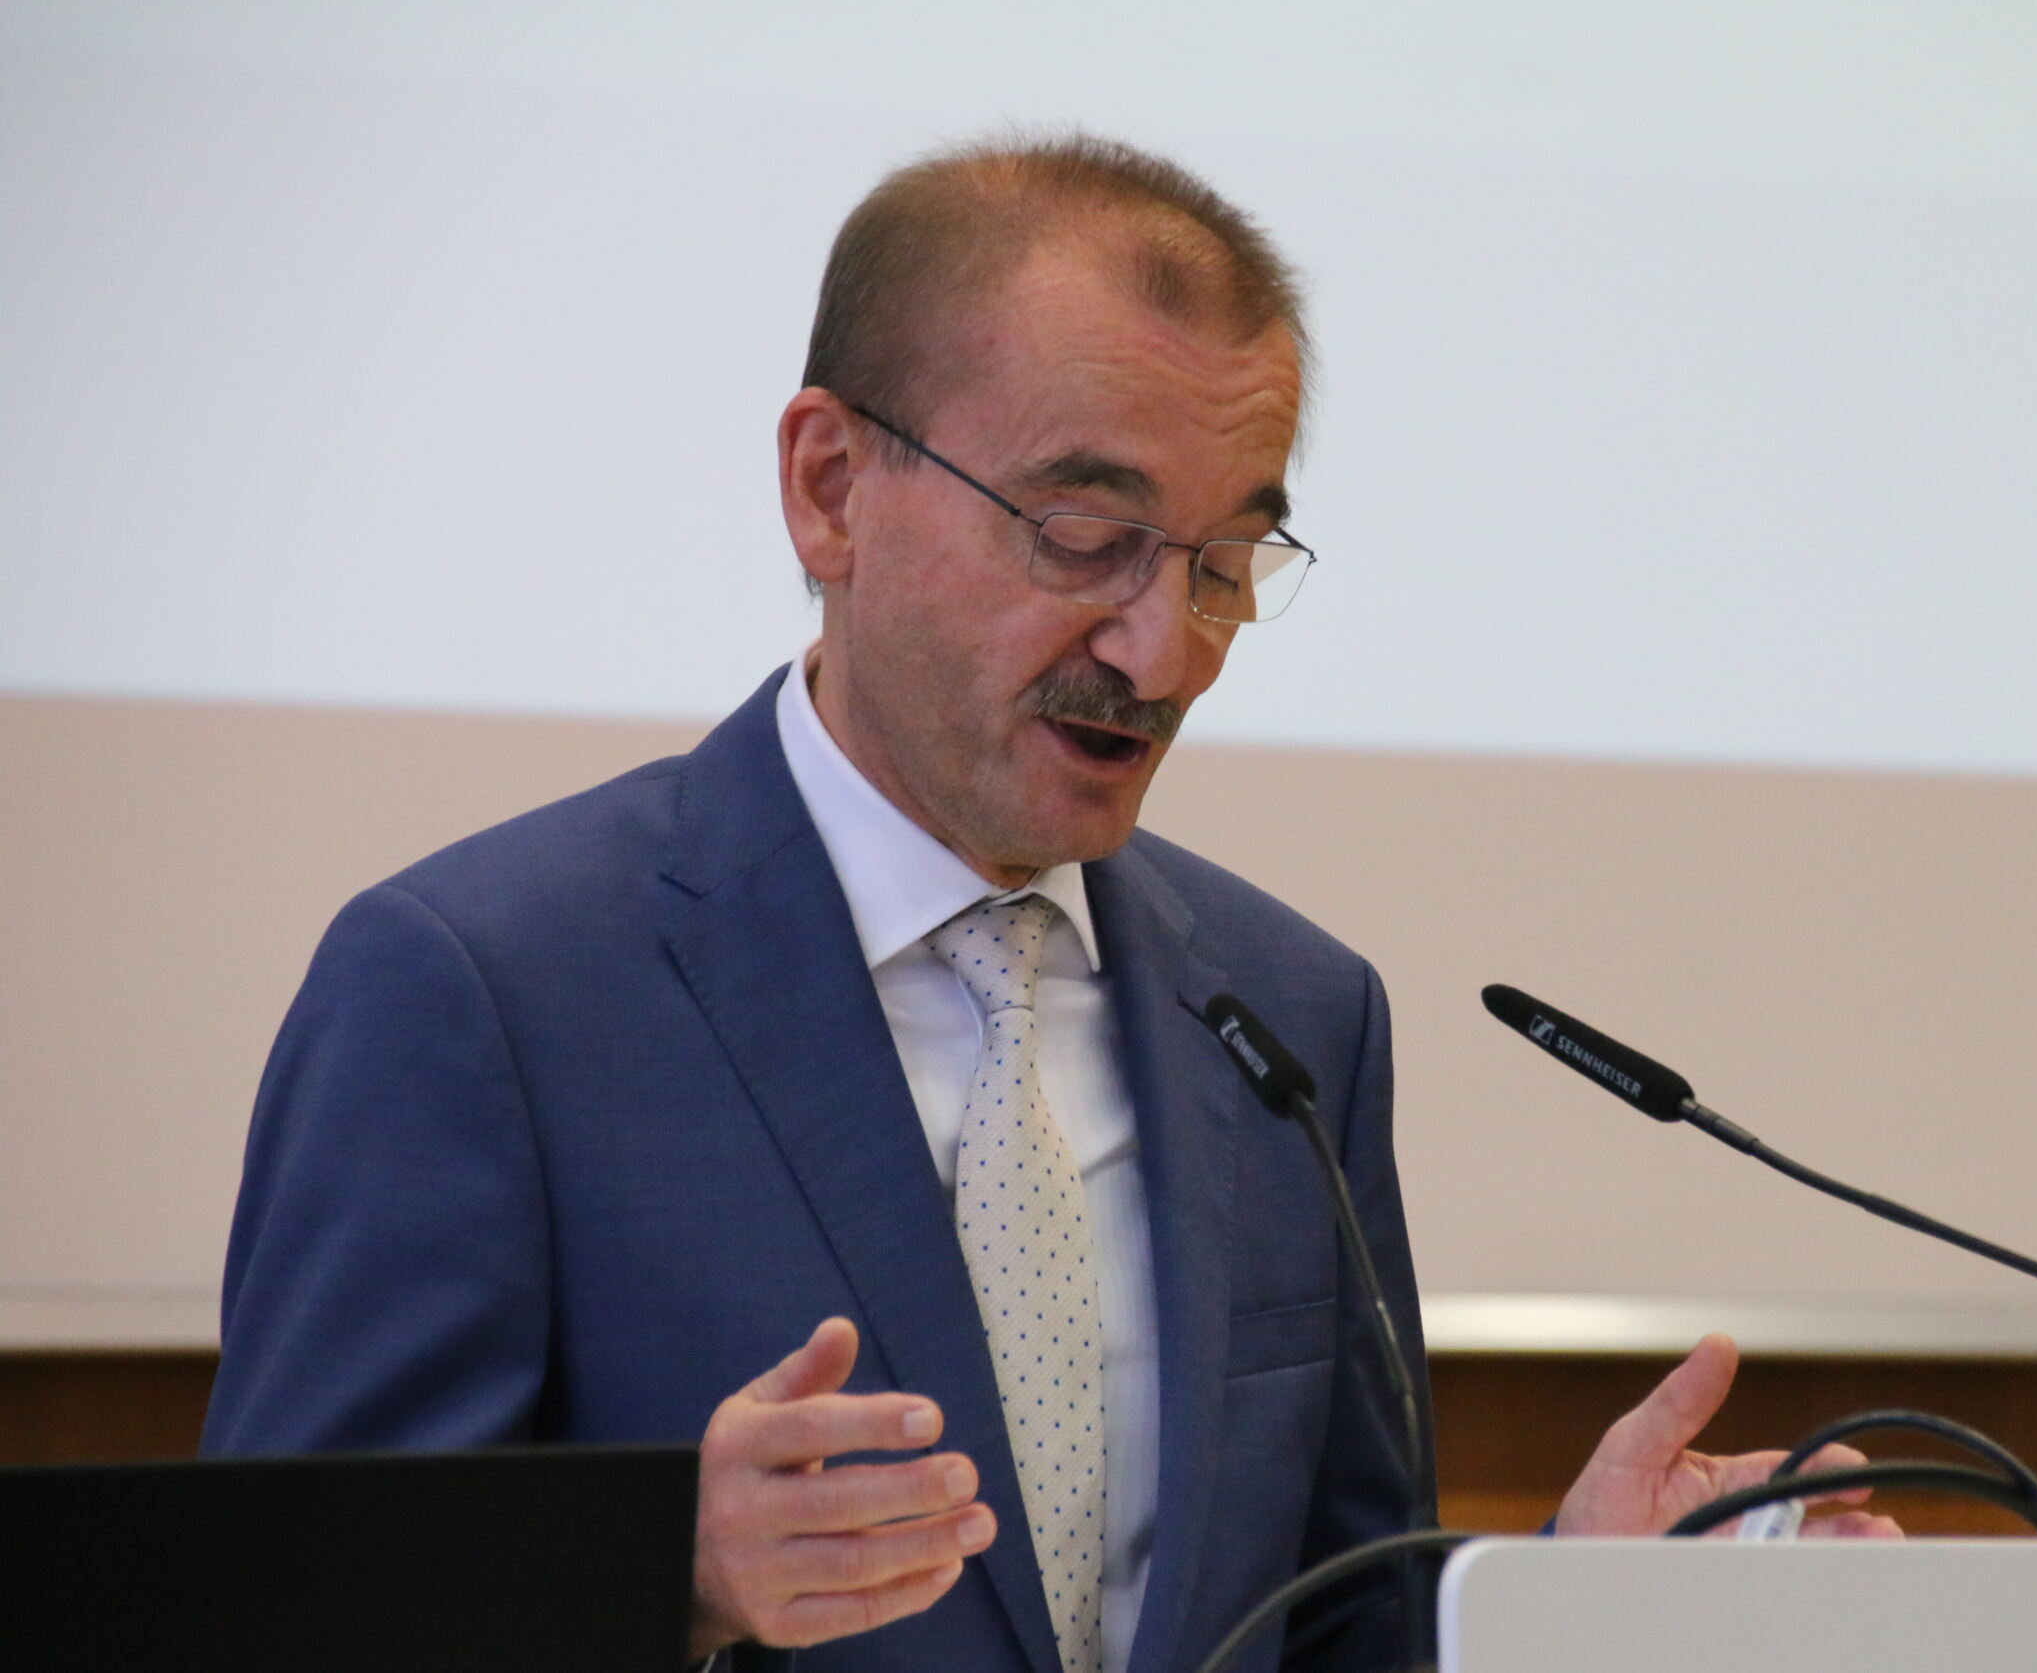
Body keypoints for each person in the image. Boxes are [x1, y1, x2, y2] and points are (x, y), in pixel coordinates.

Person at [203, 133, 1892, 1673]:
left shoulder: (1292, 1017)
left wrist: (1556, 1610)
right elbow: (269, 1618)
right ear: (831, 487)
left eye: (1228, 562)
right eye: (1086, 534)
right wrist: (664, 1579)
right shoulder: (483, 988)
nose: (1164, 653)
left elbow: (1330, 1626)